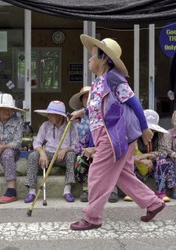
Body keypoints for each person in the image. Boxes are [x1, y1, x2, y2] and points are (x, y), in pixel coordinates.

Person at [70, 34, 165, 231]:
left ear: (104, 58)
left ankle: (92, 217)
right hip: (107, 135)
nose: (89, 59)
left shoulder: (113, 78)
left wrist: (145, 128)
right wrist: (83, 111)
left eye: (93, 55)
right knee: (121, 174)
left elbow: (134, 102)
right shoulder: (98, 82)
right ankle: (153, 203)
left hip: (113, 136)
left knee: (97, 174)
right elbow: (97, 107)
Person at [70, 86, 119, 203]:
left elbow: (113, 139)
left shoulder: (107, 116)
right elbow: (79, 143)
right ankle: (87, 189)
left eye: (90, 97)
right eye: (85, 98)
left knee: (113, 158)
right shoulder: (78, 120)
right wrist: (88, 151)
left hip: (107, 149)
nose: (87, 100)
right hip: (89, 151)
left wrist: (97, 150)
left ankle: (112, 188)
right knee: (81, 159)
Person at [24, 100, 78, 203]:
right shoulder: (45, 125)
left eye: (51, 114)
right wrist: (42, 153)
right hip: (48, 153)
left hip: (64, 154)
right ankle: (31, 191)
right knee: (32, 156)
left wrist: (65, 150)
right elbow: (37, 142)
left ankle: (67, 190)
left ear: (59, 116)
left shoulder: (70, 126)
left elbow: (76, 145)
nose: (48, 116)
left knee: (71, 155)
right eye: (48, 114)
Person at [124, 109, 171, 202]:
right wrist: (140, 160)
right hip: (137, 166)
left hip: (153, 168)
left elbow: (164, 152)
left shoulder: (161, 135)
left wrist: (148, 157)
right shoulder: (133, 135)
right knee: (127, 163)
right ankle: (131, 192)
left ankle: (161, 192)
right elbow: (126, 154)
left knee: (162, 160)